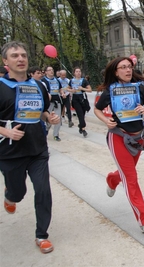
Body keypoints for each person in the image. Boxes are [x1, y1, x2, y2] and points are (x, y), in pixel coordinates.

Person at [0, 41, 60, 253]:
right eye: (15, 55)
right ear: (5, 61)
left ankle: (41, 235)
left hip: (37, 150)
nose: (21, 58)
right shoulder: (1, 86)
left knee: (43, 190)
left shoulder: (38, 85)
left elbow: (43, 111)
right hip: (10, 152)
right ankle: (11, 195)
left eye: (23, 55)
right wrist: (6, 131)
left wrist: (49, 117)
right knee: (18, 193)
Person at [94, 57, 144, 233]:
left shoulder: (140, 88)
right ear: (116, 71)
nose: (128, 70)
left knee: (124, 175)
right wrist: (106, 120)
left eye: (129, 67)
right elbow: (97, 109)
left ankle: (112, 179)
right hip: (118, 138)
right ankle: (143, 220)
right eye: (123, 67)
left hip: (137, 139)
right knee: (131, 178)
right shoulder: (110, 91)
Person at [67, 67, 92, 137]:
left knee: (83, 114)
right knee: (80, 114)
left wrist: (82, 88)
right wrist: (71, 90)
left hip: (83, 98)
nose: (78, 73)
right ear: (74, 73)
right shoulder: (71, 81)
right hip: (75, 99)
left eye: (79, 71)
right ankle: (83, 129)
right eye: (77, 71)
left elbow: (90, 90)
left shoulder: (84, 80)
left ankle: (80, 125)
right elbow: (67, 88)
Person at [41, 65, 63, 141]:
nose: (51, 71)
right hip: (48, 101)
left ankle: (56, 135)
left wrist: (62, 93)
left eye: (52, 69)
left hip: (57, 100)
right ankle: (46, 130)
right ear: (46, 72)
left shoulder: (57, 80)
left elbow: (60, 89)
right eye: (49, 70)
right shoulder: (43, 81)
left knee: (58, 118)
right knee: (48, 117)